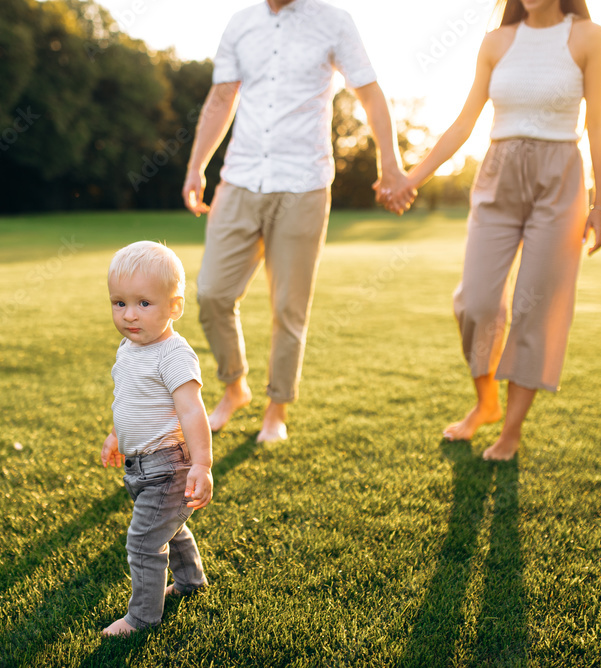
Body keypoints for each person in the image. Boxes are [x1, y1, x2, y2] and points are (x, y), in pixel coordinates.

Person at [384, 0, 601, 461]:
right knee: (476, 302)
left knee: (537, 308)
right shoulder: (496, 41)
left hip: (560, 176)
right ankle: (485, 400)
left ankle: (510, 431)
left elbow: (598, 122)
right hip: (498, 174)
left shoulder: (589, 36)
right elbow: (465, 123)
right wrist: (411, 177)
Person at [182, 0, 413, 444]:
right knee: (212, 293)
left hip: (304, 184)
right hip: (240, 178)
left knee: (289, 307)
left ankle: (276, 409)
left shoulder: (335, 21)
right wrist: (197, 167)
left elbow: (369, 92)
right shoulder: (241, 23)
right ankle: (235, 388)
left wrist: (392, 165)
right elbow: (220, 98)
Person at [99, 241, 213, 636]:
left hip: (170, 466)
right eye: (119, 303)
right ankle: (191, 581)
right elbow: (128, 398)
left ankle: (143, 617)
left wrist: (201, 464)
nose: (129, 315)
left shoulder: (173, 355)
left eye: (144, 303)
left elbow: (192, 412)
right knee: (170, 527)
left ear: (174, 307)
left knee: (144, 542)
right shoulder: (129, 347)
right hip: (139, 465)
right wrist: (117, 435)